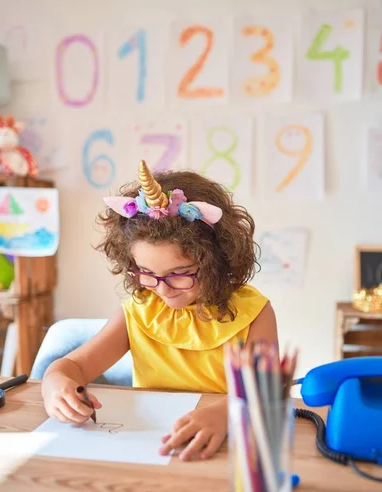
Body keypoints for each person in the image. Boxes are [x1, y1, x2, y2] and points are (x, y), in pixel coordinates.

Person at [42, 161, 278, 461]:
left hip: (228, 453)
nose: (163, 289)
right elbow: (70, 368)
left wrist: (224, 412)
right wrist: (55, 385)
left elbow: (265, 391)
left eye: (180, 273)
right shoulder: (139, 312)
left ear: (217, 261)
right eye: (146, 272)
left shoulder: (254, 313)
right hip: (150, 451)